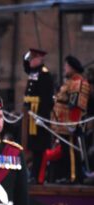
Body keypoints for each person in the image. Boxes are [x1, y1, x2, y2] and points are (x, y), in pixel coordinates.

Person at [46, 56, 90, 184]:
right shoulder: (71, 81)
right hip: (62, 123)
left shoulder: (78, 82)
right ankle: (69, 175)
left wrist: (73, 122)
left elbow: (77, 104)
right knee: (65, 150)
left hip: (69, 123)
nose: (65, 68)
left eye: (66, 66)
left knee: (70, 149)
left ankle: (73, 176)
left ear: (72, 67)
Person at [22, 48, 54, 182]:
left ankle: (37, 176)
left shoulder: (44, 74)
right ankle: (33, 174)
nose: (30, 61)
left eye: (33, 58)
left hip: (38, 114)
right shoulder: (33, 72)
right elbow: (25, 66)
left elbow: (46, 98)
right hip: (30, 113)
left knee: (39, 147)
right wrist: (26, 57)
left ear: (40, 59)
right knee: (32, 146)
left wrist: (41, 117)